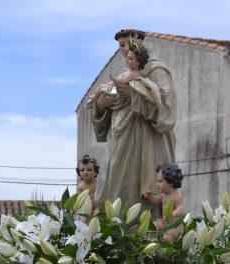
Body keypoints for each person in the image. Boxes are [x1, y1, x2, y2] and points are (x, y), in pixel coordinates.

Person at [90, 29, 177, 215]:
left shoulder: (156, 70)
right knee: (116, 193)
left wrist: (135, 96)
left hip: (145, 143)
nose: (124, 50)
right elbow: (113, 100)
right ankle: (115, 235)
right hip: (119, 143)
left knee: (140, 195)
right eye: (121, 45)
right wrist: (101, 106)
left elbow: (166, 110)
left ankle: (147, 238)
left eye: (128, 44)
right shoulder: (124, 74)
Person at [144, 164, 184, 243]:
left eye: (160, 181)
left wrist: (174, 213)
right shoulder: (164, 194)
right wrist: (150, 197)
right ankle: (155, 248)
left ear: (171, 182)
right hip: (164, 221)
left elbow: (181, 208)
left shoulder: (176, 196)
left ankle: (170, 252)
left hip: (174, 225)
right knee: (151, 228)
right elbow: (157, 200)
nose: (157, 184)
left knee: (167, 237)